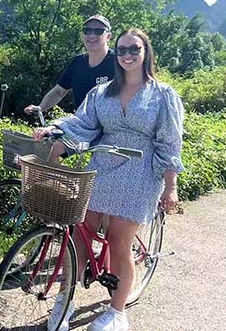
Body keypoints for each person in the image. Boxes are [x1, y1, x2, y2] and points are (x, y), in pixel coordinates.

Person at [33, 28, 184, 331]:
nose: (128, 55)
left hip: (141, 170)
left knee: (118, 241)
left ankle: (117, 312)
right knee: (79, 234)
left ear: (146, 53)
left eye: (134, 50)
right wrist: (56, 128)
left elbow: (169, 143)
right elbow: (82, 122)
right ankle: (66, 299)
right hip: (103, 163)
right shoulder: (102, 92)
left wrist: (171, 187)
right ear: (117, 54)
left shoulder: (163, 95)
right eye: (123, 50)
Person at [24, 14, 115, 115]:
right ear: (82, 35)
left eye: (98, 31)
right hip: (82, 124)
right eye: (87, 30)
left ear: (108, 36)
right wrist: (40, 108)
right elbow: (59, 91)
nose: (92, 35)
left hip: (112, 126)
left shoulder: (119, 62)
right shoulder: (77, 63)